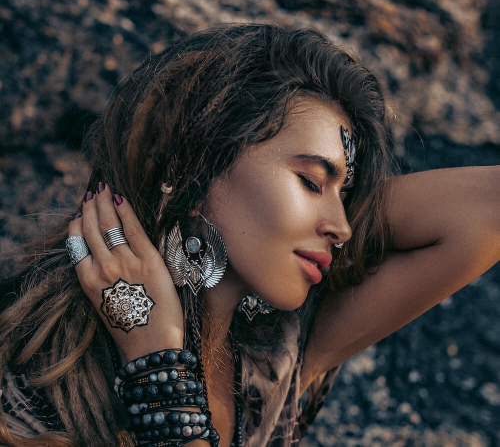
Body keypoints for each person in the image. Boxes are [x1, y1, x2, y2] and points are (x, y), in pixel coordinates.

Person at [0, 24, 498, 447]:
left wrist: (159, 360)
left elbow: (486, 211)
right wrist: (153, 361)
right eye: (310, 181)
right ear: (195, 164)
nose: (344, 227)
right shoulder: (31, 383)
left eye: (345, 198)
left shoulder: (273, 364)